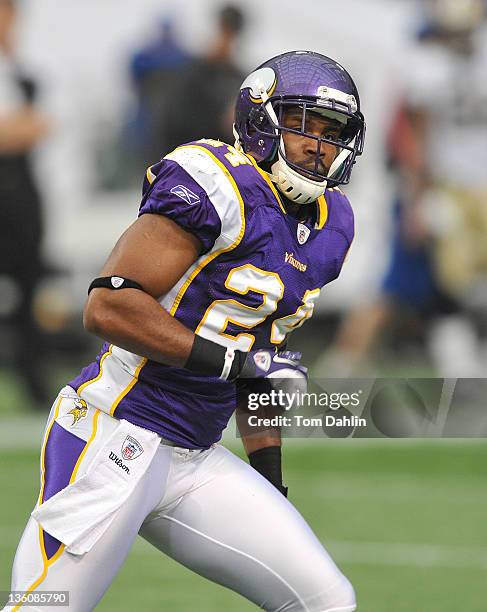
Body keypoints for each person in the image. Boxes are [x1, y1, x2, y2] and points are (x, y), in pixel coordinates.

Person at [4, 50, 365, 612]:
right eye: (303, 125)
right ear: (263, 120)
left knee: (327, 601)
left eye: (332, 131)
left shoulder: (331, 224)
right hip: (115, 433)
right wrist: (233, 363)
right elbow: (109, 306)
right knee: (40, 608)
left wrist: (269, 475)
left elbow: (259, 357)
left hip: (196, 457)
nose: (319, 145)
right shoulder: (215, 182)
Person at [0, 0, 50, 404]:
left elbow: (44, 125)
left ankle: (32, 379)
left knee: (29, 282)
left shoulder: (20, 68)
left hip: (21, 189)